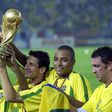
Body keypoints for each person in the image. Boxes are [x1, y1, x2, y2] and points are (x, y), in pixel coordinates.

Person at [9, 44, 92, 108]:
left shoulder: (77, 78)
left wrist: (62, 97)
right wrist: (9, 43)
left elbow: (87, 108)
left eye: (64, 60)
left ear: (73, 62)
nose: (58, 64)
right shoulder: (51, 73)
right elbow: (31, 63)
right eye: (56, 59)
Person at [73, 46, 112, 112]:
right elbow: (82, 111)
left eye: (97, 66)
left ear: (109, 65)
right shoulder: (99, 90)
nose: (93, 71)